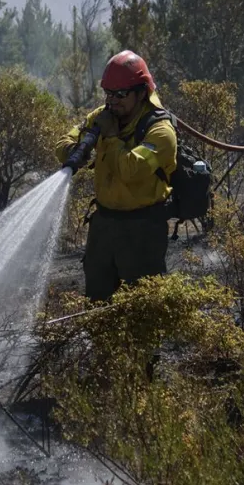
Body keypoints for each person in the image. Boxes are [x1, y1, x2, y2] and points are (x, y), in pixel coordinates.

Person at [54, 50, 178, 302]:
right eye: (108, 93)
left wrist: (110, 138)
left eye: (120, 94)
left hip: (142, 230)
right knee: (97, 303)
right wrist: (74, 150)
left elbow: (131, 170)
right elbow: (64, 140)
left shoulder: (161, 132)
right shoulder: (103, 116)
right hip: (104, 227)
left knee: (141, 308)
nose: (112, 101)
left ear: (141, 93)